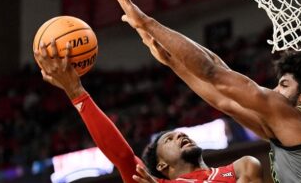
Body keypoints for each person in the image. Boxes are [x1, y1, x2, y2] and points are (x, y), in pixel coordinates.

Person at [108, 0, 301, 182]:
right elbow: (223, 100)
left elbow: (212, 71)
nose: (274, 90)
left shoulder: (294, 117)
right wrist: (172, 61)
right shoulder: (292, 129)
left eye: (284, 84)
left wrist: (147, 23)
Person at [33, 39, 263, 183]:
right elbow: (122, 156)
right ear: (162, 166)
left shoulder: (242, 166)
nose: (181, 134)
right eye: (169, 140)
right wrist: (76, 92)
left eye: (177, 134)